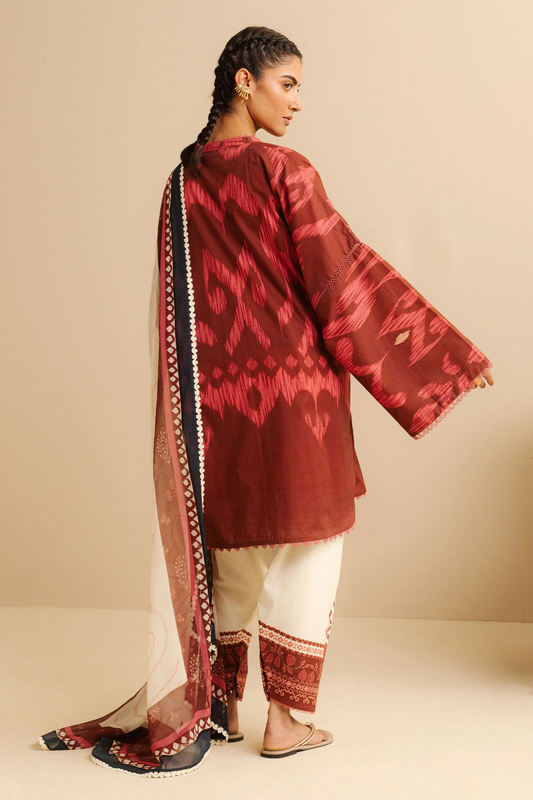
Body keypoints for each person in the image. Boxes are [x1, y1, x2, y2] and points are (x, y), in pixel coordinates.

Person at [38, 26, 493, 776]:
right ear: (243, 81)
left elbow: (179, 312)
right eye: (288, 84)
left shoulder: (180, 184)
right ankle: (286, 720)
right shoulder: (285, 169)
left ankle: (215, 703)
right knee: (309, 543)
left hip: (215, 402)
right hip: (295, 394)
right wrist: (443, 358)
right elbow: (341, 276)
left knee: (233, 545)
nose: (297, 102)